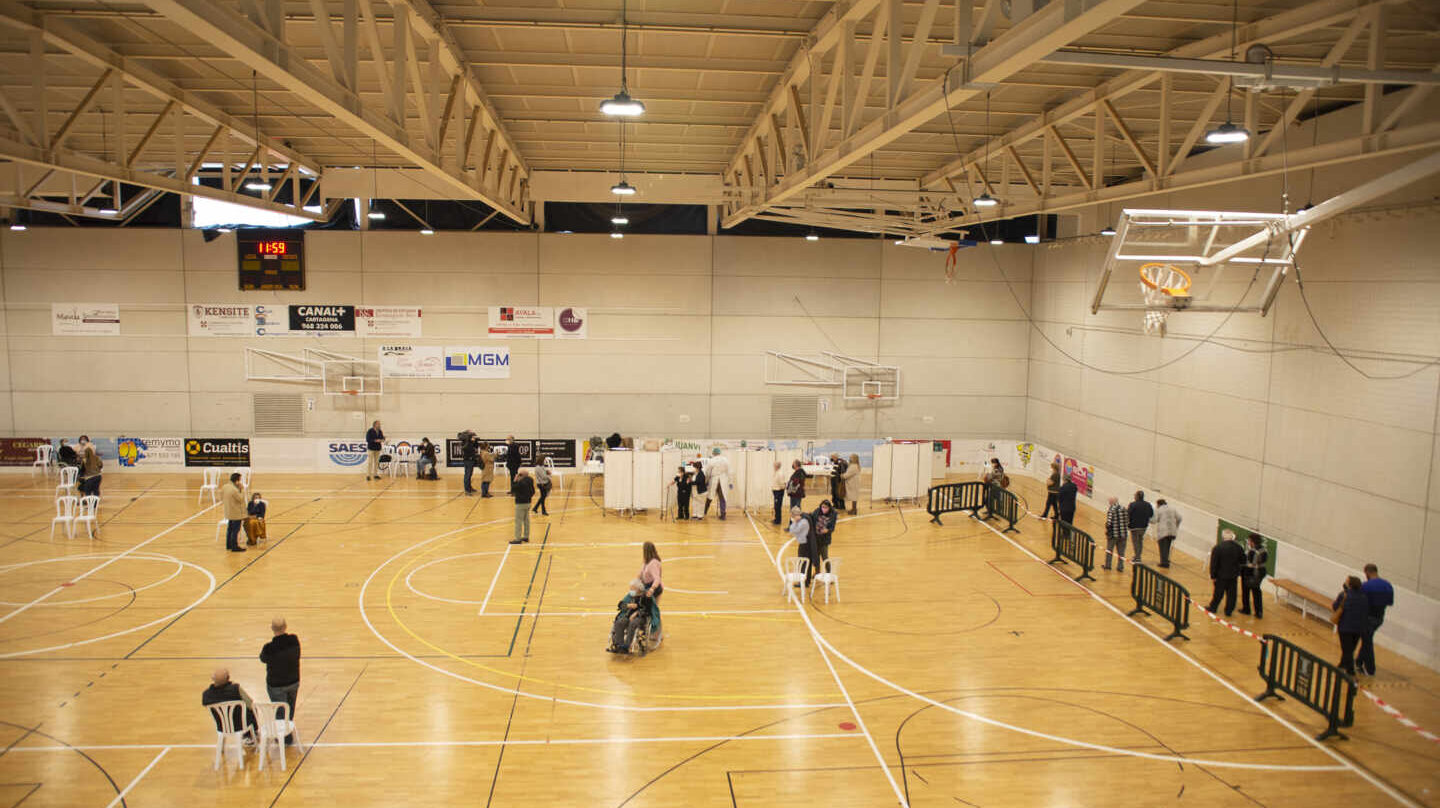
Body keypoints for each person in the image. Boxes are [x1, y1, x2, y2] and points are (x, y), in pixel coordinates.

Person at [259, 617, 300, 743]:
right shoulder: (294, 640)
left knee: (280, 709)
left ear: (272, 628)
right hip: (293, 681)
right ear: (285, 626)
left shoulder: (269, 648)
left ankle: (284, 736)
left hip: (276, 685)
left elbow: (262, 658)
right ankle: (287, 729)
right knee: (290, 707)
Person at [1358, 564, 1394, 676]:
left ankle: (1370, 669)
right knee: (1367, 639)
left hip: (1367, 617)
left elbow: (1361, 602)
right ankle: (1358, 662)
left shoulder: (1366, 586)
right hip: (1379, 618)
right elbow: (1390, 603)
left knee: (1367, 641)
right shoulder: (1388, 585)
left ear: (1367, 572)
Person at [202, 668, 257, 740]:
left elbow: (206, 705)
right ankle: (249, 735)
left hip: (222, 726)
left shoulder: (206, 694)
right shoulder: (236, 689)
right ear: (228, 678)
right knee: (253, 709)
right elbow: (250, 704)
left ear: (213, 679)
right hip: (242, 725)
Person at [1332, 576, 1370, 676]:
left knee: (1347, 649)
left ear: (1349, 585)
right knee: (1350, 649)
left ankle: (1350, 671)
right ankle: (1342, 665)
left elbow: (1335, 606)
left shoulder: (1344, 595)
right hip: (1358, 628)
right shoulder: (1364, 597)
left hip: (1345, 627)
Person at [1206, 530, 1245, 616]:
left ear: (1223, 537)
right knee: (1232, 594)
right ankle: (1229, 611)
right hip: (1233, 575)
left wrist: (1213, 575)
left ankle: (1213, 607)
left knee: (1218, 593)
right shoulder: (1238, 547)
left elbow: (1214, 563)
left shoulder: (1218, 547)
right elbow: (1243, 560)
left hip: (1221, 575)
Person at [606, 580, 649, 654]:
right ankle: (619, 645)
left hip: (640, 618)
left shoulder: (646, 597)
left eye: (632, 589)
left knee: (632, 623)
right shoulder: (630, 596)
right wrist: (628, 605)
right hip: (628, 616)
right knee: (620, 622)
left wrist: (636, 613)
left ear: (638, 589)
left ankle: (627, 645)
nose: (631, 591)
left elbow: (647, 610)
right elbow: (620, 604)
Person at [637, 541, 663, 641]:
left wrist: (652, 589)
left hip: (654, 588)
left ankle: (657, 633)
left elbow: (657, 579)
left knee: (654, 610)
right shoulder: (646, 561)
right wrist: (636, 581)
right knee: (648, 609)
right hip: (647, 586)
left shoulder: (653, 563)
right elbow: (641, 572)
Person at [1238, 533, 1268, 618]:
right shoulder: (1264, 550)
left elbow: (1249, 563)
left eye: (1249, 541)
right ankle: (1259, 612)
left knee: (1246, 591)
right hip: (1261, 572)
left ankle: (1246, 609)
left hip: (1251, 573)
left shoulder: (1252, 551)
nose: (1248, 542)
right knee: (1257, 592)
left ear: (1252, 541)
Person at [789, 506, 816, 585]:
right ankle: (806, 581)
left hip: (806, 544)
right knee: (808, 562)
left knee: (803, 562)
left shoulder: (804, 520)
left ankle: (803, 581)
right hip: (809, 543)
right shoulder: (805, 517)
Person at [222, 472, 247, 553]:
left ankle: (228, 545)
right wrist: (242, 490)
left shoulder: (225, 486)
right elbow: (241, 499)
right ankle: (234, 546)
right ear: (236, 481)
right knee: (235, 530)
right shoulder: (234, 490)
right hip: (236, 513)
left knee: (230, 529)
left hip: (228, 511)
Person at [1127, 491, 1154, 564]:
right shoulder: (1148, 504)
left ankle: (1137, 557)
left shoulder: (1133, 504)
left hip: (1134, 527)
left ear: (1137, 496)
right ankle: (1138, 556)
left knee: (1135, 542)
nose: (1134, 496)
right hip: (1144, 527)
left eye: (1135, 495)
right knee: (1140, 541)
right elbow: (1151, 514)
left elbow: (1128, 514)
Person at [1153, 497, 1181, 568]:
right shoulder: (1172, 508)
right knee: (1167, 547)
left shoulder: (1159, 510)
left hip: (1163, 531)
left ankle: (1164, 562)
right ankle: (1166, 560)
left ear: (1159, 504)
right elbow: (1179, 518)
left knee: (1163, 547)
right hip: (1172, 531)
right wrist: (1176, 526)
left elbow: (1155, 520)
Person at [1103, 496, 1128, 572]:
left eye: (1109, 502)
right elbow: (1127, 520)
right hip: (1123, 534)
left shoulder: (1111, 510)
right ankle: (1120, 567)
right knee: (1121, 552)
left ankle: (1108, 565)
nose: (1109, 503)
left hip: (1114, 534)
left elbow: (1109, 523)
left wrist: (1107, 529)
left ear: (1112, 502)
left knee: (1109, 550)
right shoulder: (1123, 508)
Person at [509, 469, 534, 544]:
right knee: (526, 520)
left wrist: (515, 480)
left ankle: (517, 538)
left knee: (518, 521)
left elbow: (513, 489)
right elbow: (533, 491)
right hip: (528, 503)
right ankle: (526, 536)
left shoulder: (521, 483)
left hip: (520, 504)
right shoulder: (530, 480)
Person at [707, 448, 731, 520]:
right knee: (722, 498)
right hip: (723, 480)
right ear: (720, 453)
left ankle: (704, 512)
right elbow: (729, 471)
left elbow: (708, 472)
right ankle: (723, 515)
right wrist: (730, 481)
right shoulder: (725, 460)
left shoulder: (711, 460)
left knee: (709, 497)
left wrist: (706, 481)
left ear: (713, 453)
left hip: (714, 480)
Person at [811, 500, 837, 566]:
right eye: (823, 507)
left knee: (825, 557)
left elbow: (832, 528)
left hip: (824, 539)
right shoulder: (817, 512)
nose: (824, 509)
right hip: (816, 538)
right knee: (816, 557)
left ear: (829, 508)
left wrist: (827, 530)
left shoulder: (832, 515)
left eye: (826, 507)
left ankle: (828, 572)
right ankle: (817, 571)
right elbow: (811, 518)